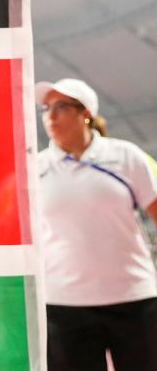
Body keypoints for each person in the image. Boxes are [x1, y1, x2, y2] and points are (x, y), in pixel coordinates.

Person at [37, 78, 157, 371]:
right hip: (63, 305)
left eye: (61, 107)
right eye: (46, 108)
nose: (50, 116)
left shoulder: (127, 156)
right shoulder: (34, 168)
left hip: (134, 299)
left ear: (85, 113)